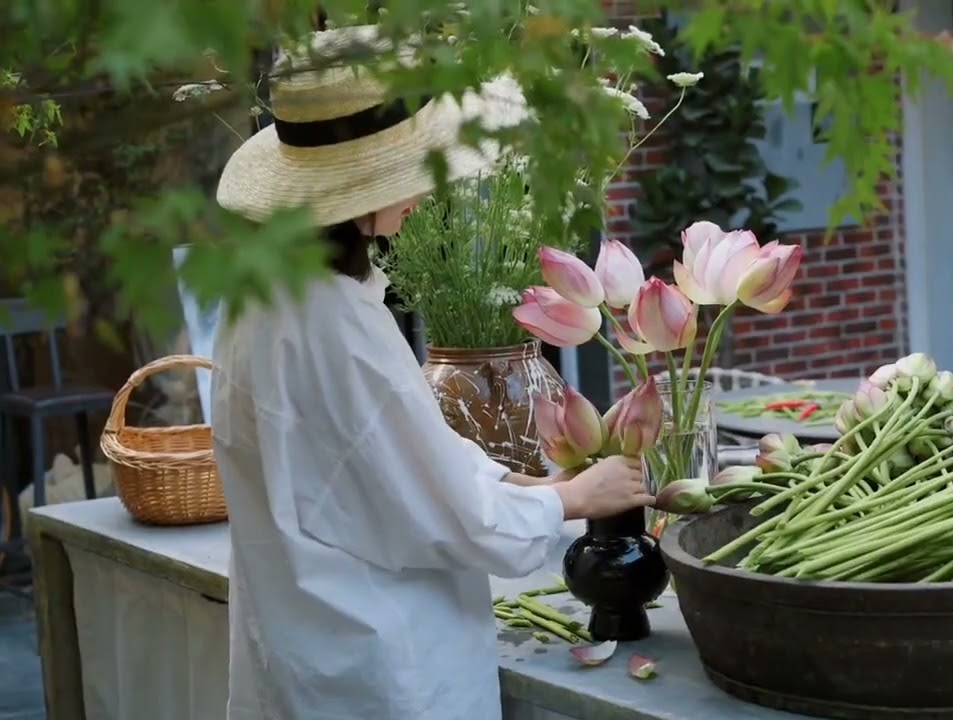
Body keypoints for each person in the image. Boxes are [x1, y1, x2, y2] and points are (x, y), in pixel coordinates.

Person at [211, 25, 654, 720]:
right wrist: (571, 499)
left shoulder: (264, 291)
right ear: (350, 190)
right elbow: (440, 512)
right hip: (379, 659)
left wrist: (518, 480)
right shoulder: (336, 324)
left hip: (303, 635)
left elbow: (377, 461)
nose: (422, 191)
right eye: (406, 172)